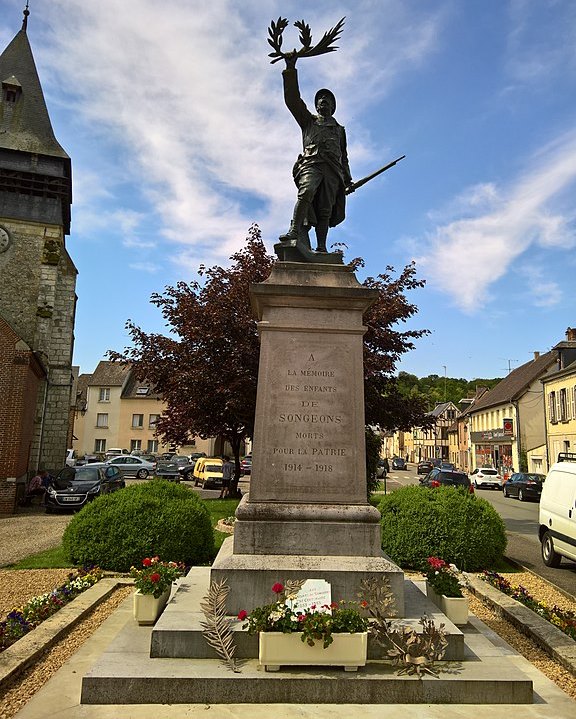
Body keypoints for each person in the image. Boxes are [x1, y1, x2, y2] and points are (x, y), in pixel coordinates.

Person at [279, 52, 353, 252]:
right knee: (306, 192)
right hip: (311, 165)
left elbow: (343, 156)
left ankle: (321, 247)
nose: (323, 101)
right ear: (317, 105)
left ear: (333, 106)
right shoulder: (308, 122)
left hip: (333, 171)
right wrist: (290, 69)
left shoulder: (339, 130)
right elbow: (293, 100)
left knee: (325, 210)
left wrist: (348, 178)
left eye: (328, 100)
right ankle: (295, 230)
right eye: (320, 99)